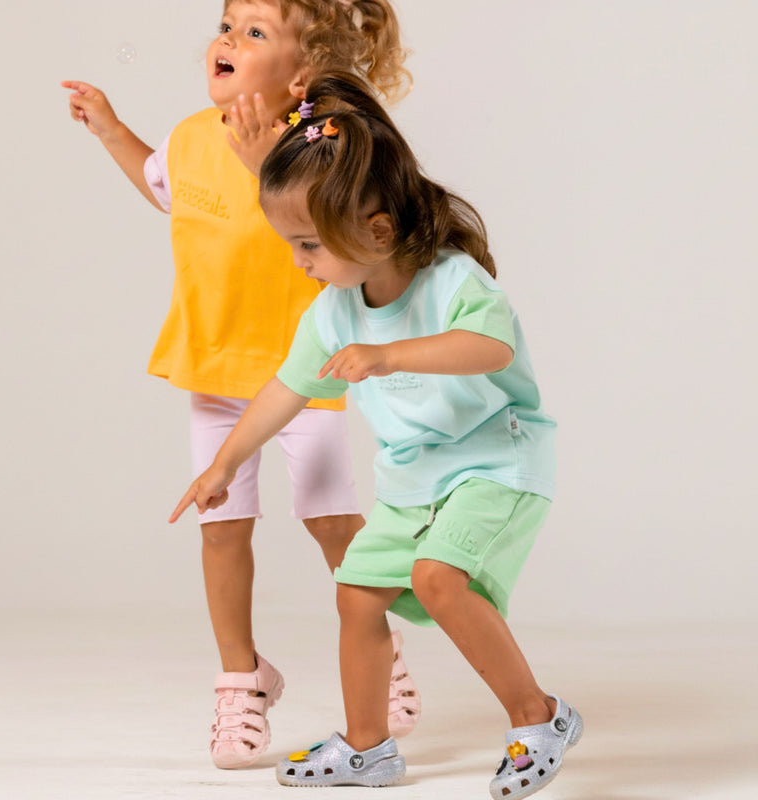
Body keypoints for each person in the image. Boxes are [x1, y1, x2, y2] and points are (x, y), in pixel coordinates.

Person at [170, 72, 584, 798]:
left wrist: (390, 355)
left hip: (497, 462)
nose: (300, 262)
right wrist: (226, 465)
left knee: (437, 579)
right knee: (357, 592)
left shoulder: (453, 281)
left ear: (376, 230)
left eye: (308, 245)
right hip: (415, 480)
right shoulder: (333, 312)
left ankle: (539, 716)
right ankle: (368, 749)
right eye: (292, 244)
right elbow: (284, 391)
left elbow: (491, 351)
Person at [61, 0, 420, 770]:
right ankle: (241, 677)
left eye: (254, 32)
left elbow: (329, 223)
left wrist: (267, 164)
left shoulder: (320, 141)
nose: (227, 39)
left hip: (303, 373)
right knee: (222, 527)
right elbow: (162, 184)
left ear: (303, 76)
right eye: (227, 24)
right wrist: (109, 128)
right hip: (218, 367)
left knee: (332, 523)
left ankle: (378, 657)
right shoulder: (193, 136)